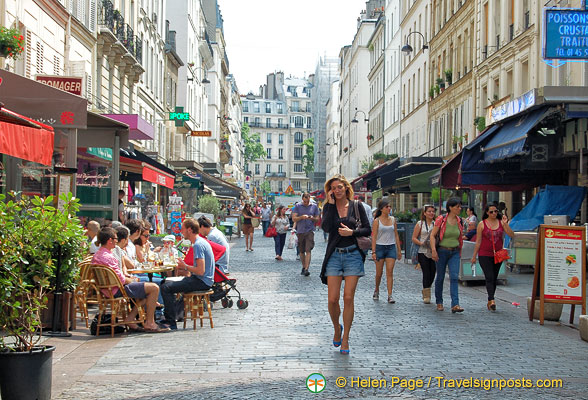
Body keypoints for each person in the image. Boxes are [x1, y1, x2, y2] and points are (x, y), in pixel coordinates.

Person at [320, 174, 371, 355]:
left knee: (348, 297)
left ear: (346, 188)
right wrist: (330, 205)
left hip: (353, 256)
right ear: (330, 191)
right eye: (334, 188)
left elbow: (367, 229)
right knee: (332, 299)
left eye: (340, 187)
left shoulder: (357, 206)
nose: (337, 190)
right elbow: (325, 227)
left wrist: (352, 232)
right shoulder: (329, 207)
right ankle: (336, 328)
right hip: (334, 256)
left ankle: (346, 338)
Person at [91, 227, 168, 332]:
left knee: (148, 290)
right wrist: (134, 280)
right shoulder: (108, 256)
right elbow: (120, 279)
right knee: (154, 288)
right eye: (115, 239)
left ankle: (130, 318)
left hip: (108, 289)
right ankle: (150, 322)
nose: (116, 241)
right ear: (110, 240)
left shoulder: (98, 255)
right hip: (117, 289)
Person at [160, 218, 215, 330]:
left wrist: (184, 266)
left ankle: (171, 321)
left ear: (189, 230)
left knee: (166, 288)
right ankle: (173, 314)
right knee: (165, 282)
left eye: (183, 229)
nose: (181, 232)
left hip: (202, 281)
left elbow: (200, 271)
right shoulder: (200, 242)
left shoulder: (198, 245)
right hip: (203, 279)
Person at [470, 203, 515, 311]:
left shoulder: (501, 223)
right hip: (484, 254)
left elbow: (511, 234)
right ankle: (492, 299)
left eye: (495, 211)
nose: (494, 213)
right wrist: (474, 256)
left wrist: (506, 224)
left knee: (494, 277)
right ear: (487, 213)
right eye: (491, 212)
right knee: (489, 276)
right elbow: (478, 241)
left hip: (498, 255)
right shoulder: (482, 224)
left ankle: (490, 300)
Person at [430, 197, 466, 313]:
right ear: (450, 208)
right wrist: (434, 250)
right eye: (457, 207)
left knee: (454, 277)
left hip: (454, 251)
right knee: (440, 277)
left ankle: (455, 304)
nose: (459, 209)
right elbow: (432, 235)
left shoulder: (459, 220)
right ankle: (439, 302)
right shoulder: (441, 219)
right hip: (442, 251)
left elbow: (460, 236)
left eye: (460, 206)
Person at [371, 199, 401, 303]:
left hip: (391, 247)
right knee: (379, 273)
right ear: (381, 209)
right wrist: (373, 251)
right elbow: (374, 237)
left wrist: (399, 250)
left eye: (390, 207)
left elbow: (396, 234)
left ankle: (390, 295)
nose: (389, 209)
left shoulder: (393, 219)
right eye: (386, 207)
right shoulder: (377, 221)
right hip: (380, 247)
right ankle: (377, 289)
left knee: (390, 272)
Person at [411, 205, 437, 304]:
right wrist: (421, 243)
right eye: (429, 211)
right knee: (426, 272)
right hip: (423, 251)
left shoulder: (436, 224)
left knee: (432, 272)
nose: (431, 213)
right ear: (424, 213)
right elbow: (414, 237)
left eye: (433, 211)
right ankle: (427, 295)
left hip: (433, 251)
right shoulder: (420, 224)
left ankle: (427, 288)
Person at [292, 193, 320, 276]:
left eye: (307, 201)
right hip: (300, 231)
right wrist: (301, 217)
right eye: (304, 201)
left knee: (308, 250)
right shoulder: (297, 206)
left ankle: (307, 268)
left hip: (310, 231)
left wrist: (312, 218)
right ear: (302, 199)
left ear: (309, 199)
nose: (306, 202)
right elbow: (294, 218)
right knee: (301, 251)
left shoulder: (314, 206)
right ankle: (303, 267)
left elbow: (317, 219)